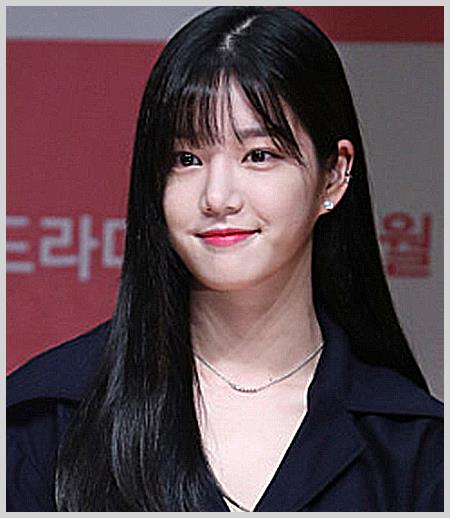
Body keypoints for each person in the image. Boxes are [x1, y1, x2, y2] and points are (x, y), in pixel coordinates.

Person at [7, 6, 443, 512]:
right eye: (186, 159)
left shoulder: (416, 449)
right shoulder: (47, 419)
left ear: (334, 174)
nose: (217, 197)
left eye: (259, 155)